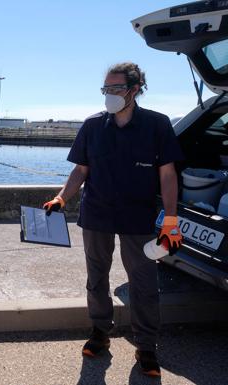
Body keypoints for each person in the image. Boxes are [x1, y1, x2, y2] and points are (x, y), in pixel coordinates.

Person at [43, 62, 184, 378]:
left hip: (139, 218)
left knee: (144, 283)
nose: (109, 95)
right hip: (97, 214)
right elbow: (81, 169)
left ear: (135, 90)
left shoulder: (158, 125)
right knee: (97, 277)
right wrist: (62, 197)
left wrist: (171, 220)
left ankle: (146, 347)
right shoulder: (93, 126)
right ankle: (99, 332)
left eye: (115, 89)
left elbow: (167, 175)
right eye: (105, 89)